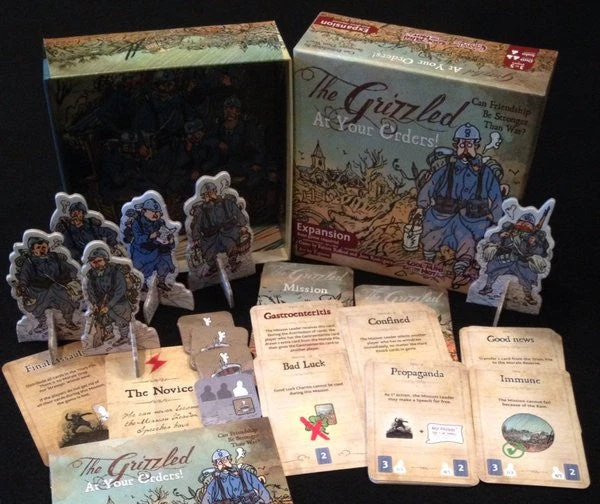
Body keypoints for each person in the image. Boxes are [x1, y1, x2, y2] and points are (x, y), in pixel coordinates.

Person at [414, 123, 504, 288]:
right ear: (456, 146)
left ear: (476, 146)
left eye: (469, 144)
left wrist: (498, 222)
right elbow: (429, 186)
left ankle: (461, 272)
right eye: (462, 144)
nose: (465, 148)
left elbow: (497, 197)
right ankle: (428, 263)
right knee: (430, 235)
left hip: (473, 220)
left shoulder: (486, 172)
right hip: (442, 216)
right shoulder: (446, 169)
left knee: (468, 242)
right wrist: (421, 207)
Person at [477, 213, 550, 304]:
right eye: (522, 222)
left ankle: (528, 296)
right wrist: (501, 236)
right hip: (505, 258)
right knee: (493, 268)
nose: (523, 225)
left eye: (527, 224)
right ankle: (488, 287)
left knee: (528, 276)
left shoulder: (535, 235)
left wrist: (534, 244)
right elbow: (493, 237)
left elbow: (541, 251)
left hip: (522, 262)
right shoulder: (509, 228)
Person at [16, 236, 81, 333]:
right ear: (33, 250)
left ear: (48, 248)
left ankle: (68, 322)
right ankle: (43, 323)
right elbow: (24, 276)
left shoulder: (55, 258)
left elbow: (71, 268)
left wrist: (72, 277)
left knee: (67, 300)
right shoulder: (29, 262)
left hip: (57, 287)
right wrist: (23, 286)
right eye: (38, 248)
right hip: (39, 289)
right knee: (37, 306)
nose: (41, 250)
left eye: (44, 247)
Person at [189, 182, 250, 274]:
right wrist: (196, 238)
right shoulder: (201, 211)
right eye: (206, 194)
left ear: (215, 191)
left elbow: (237, 213)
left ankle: (233, 263)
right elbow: (197, 225)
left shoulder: (227, 202)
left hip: (228, 231)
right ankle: (213, 267)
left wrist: (242, 225)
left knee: (231, 245)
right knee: (208, 252)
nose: (209, 196)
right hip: (211, 237)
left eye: (211, 192)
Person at [123, 197, 177, 291]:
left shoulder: (160, 222)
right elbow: (138, 239)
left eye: (157, 212)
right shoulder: (137, 223)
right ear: (144, 211)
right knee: (143, 269)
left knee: (164, 264)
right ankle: (143, 284)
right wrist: (150, 236)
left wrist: (170, 240)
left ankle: (161, 282)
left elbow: (165, 232)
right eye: (152, 211)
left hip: (156, 249)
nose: (156, 214)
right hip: (141, 251)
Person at [84, 246, 133, 347]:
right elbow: (90, 291)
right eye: (93, 262)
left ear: (105, 260)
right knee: (103, 319)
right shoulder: (92, 275)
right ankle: (109, 333)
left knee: (121, 320)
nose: (97, 264)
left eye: (99, 261)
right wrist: (94, 303)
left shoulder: (116, 273)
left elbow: (120, 291)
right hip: (102, 302)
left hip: (118, 302)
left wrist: (109, 305)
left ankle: (124, 337)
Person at [201, 449, 271, 504]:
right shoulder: (215, 482)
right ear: (216, 465)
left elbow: (260, 487)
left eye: (225, 460)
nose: (223, 464)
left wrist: (267, 501)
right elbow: (206, 499)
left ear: (229, 460)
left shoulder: (244, 473)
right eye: (219, 462)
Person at [55, 201, 120, 262]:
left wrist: (110, 245)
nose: (76, 214)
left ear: (83, 214)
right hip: (85, 260)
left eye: (79, 212)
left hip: (102, 255)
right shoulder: (68, 233)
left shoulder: (91, 227)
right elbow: (69, 249)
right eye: (73, 212)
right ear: (70, 215)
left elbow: (111, 232)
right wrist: (83, 257)